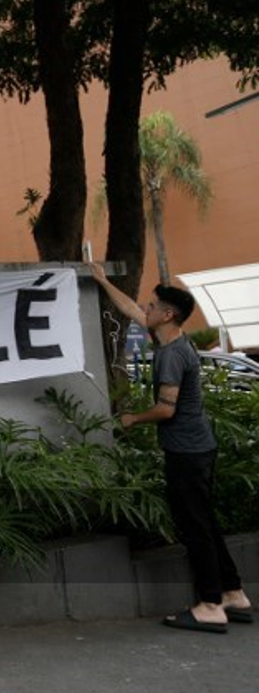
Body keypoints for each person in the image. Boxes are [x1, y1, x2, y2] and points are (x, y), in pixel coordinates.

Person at [89, 261, 252, 633]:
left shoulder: (171, 355)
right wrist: (101, 281)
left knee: (195, 527)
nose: (144, 309)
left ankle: (210, 604)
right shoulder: (170, 340)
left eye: (151, 306)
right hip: (198, 449)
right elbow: (129, 308)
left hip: (188, 453)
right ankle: (232, 593)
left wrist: (132, 419)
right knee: (205, 522)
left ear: (167, 314)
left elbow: (166, 408)